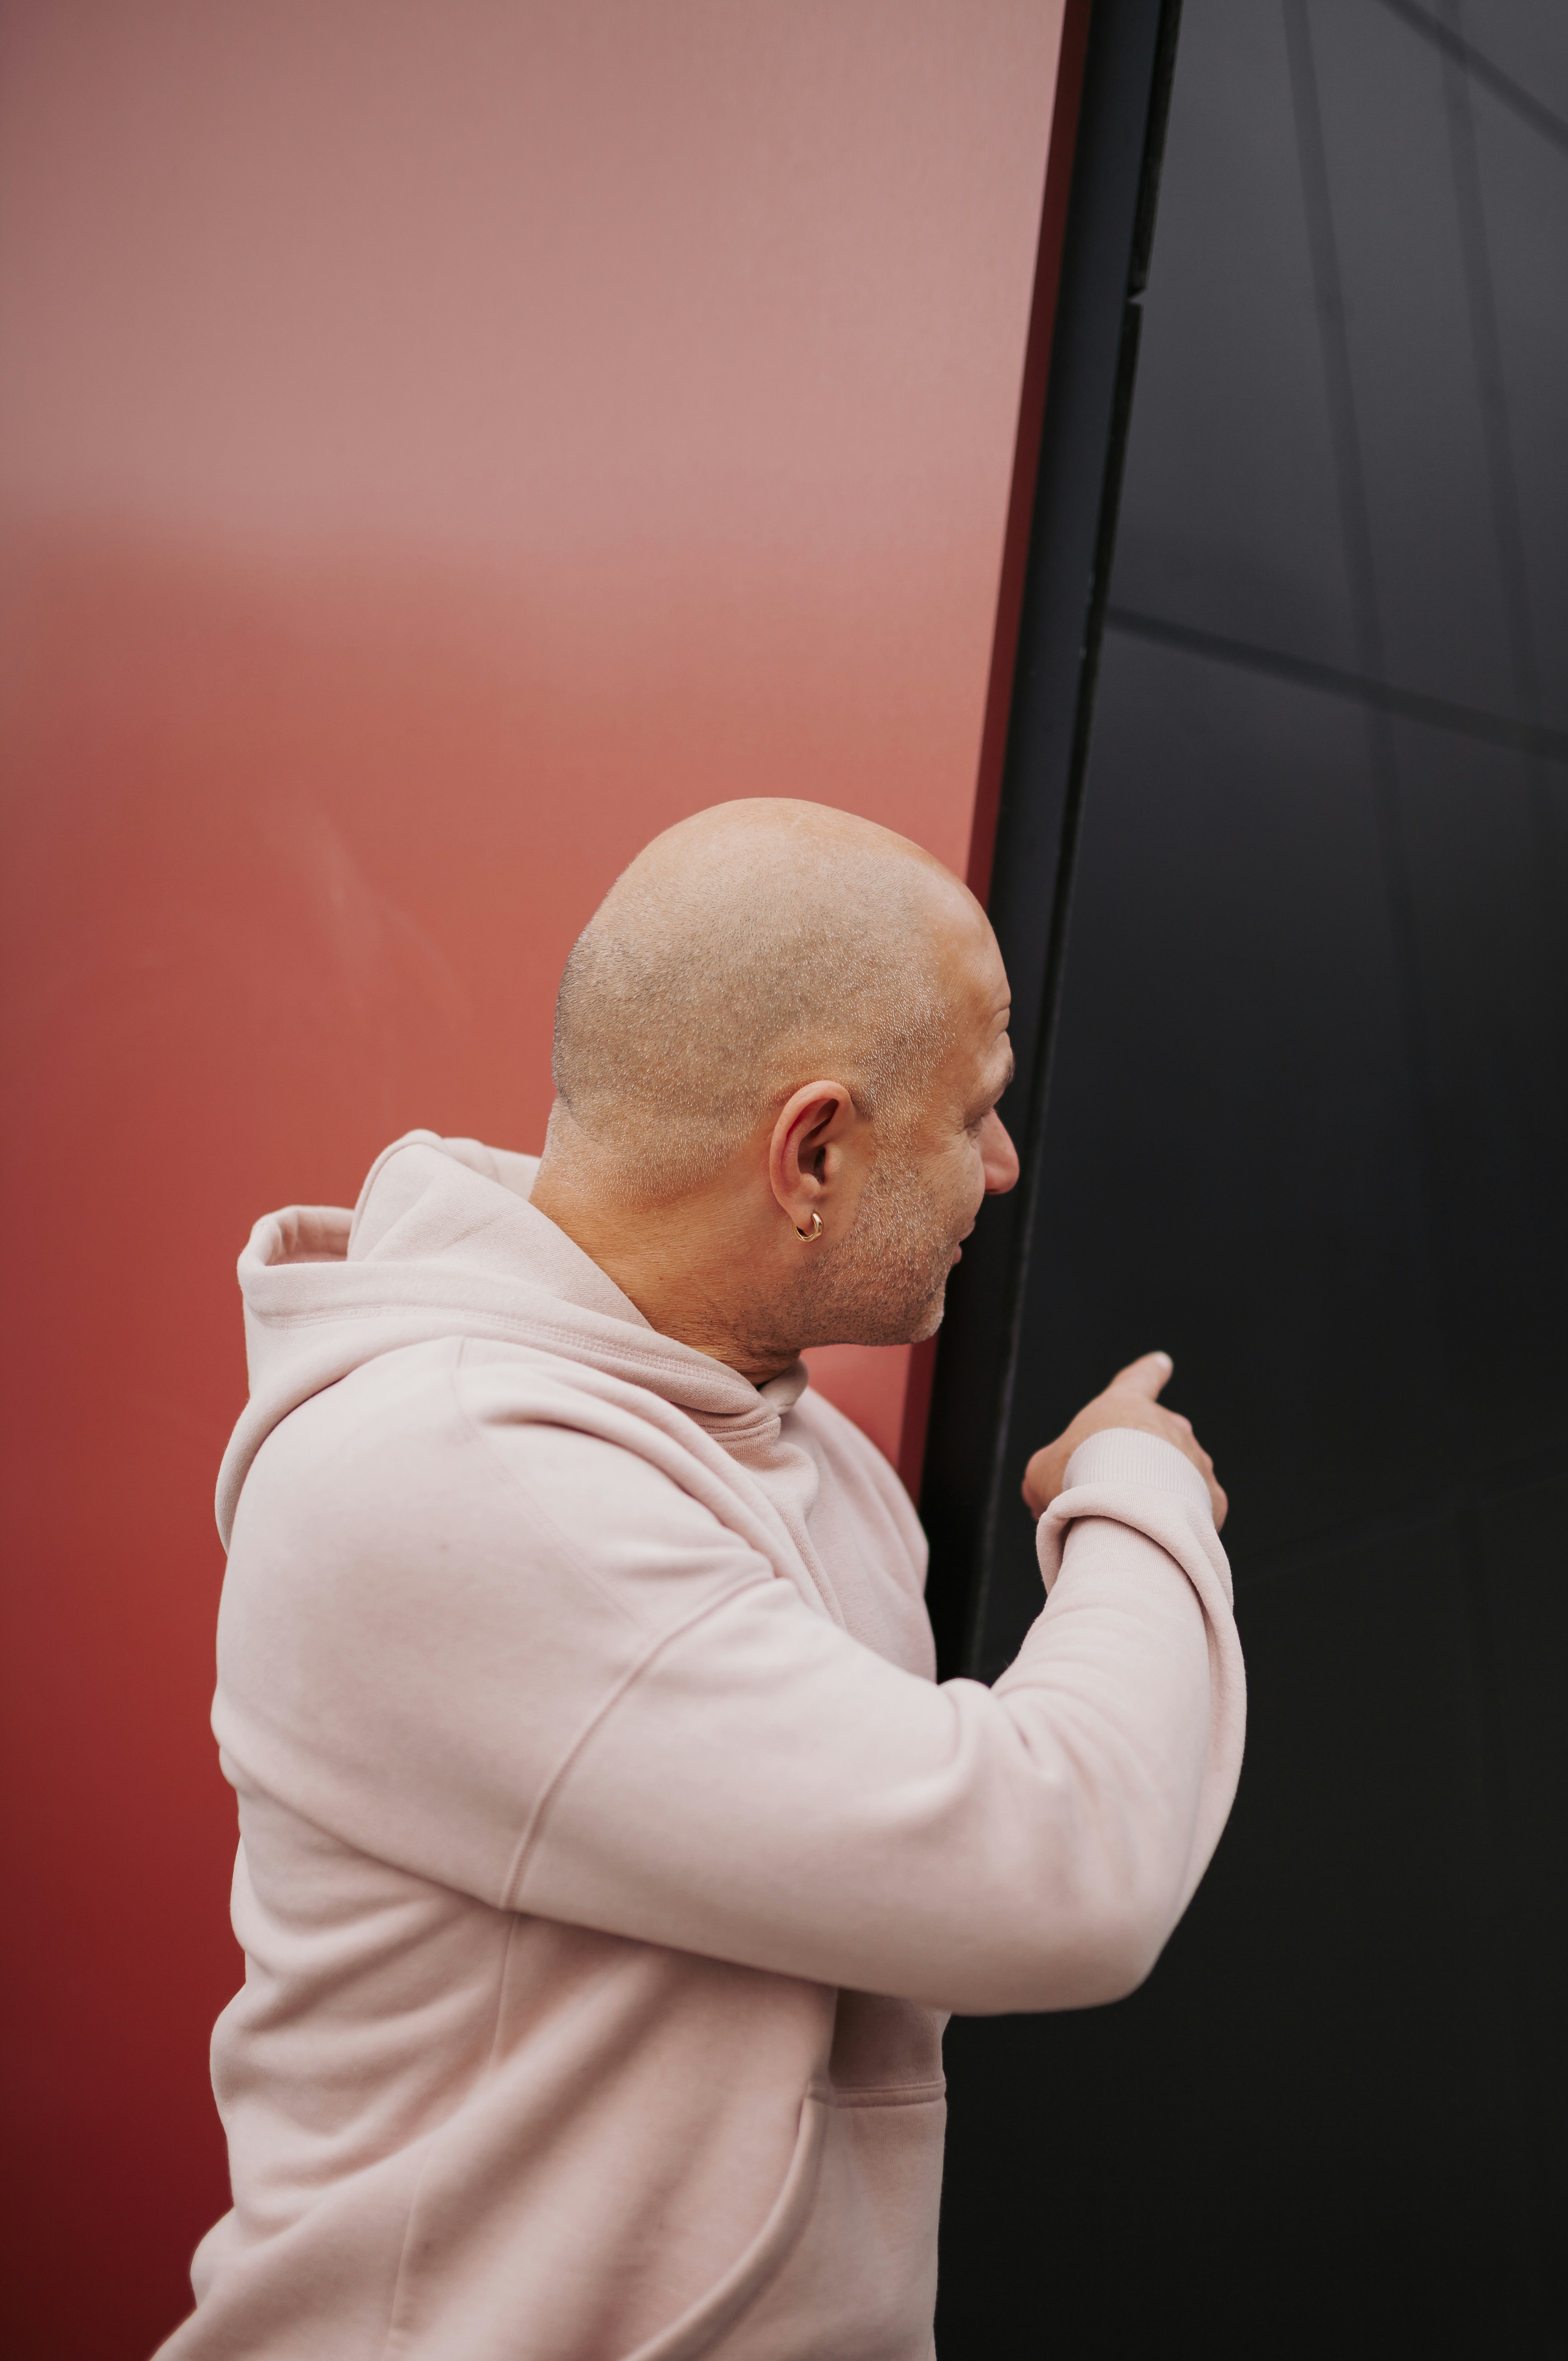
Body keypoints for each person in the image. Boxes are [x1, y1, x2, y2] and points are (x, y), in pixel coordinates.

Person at [158, 798, 1244, 2361]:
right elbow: (1053, 1863)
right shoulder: (452, 1477)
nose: (1001, 1168)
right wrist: (1132, 1493)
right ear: (812, 1151)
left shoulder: (808, 1459)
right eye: (972, 1113)